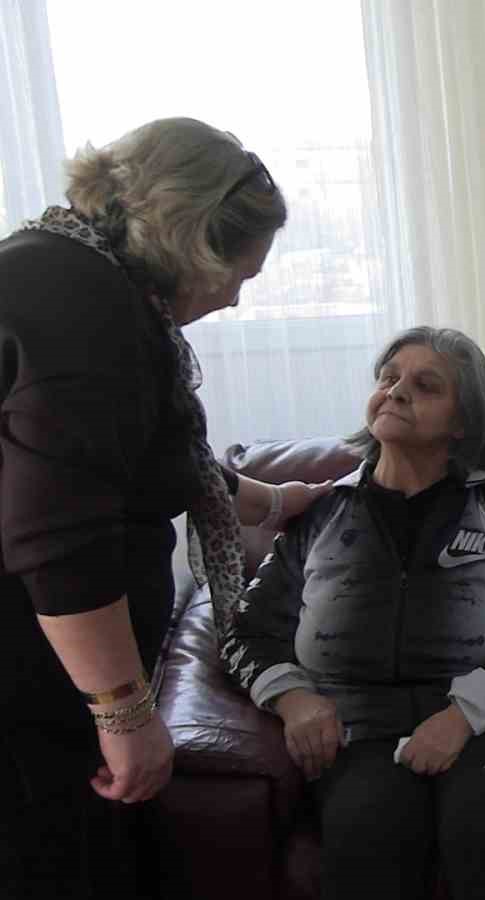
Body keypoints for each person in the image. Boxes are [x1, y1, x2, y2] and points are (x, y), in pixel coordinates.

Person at [0, 117, 329, 898]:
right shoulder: (79, 306)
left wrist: (277, 499)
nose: (235, 300)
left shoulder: (82, 276)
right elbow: (61, 538)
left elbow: (147, 458)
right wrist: (124, 714)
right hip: (21, 688)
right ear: (196, 243)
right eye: (239, 275)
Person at [223, 326, 485, 899]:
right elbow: (245, 630)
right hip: (355, 728)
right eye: (388, 379)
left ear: (462, 421)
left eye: (425, 385)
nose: (396, 392)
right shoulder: (323, 511)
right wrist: (292, 699)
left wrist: (463, 715)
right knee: (368, 838)